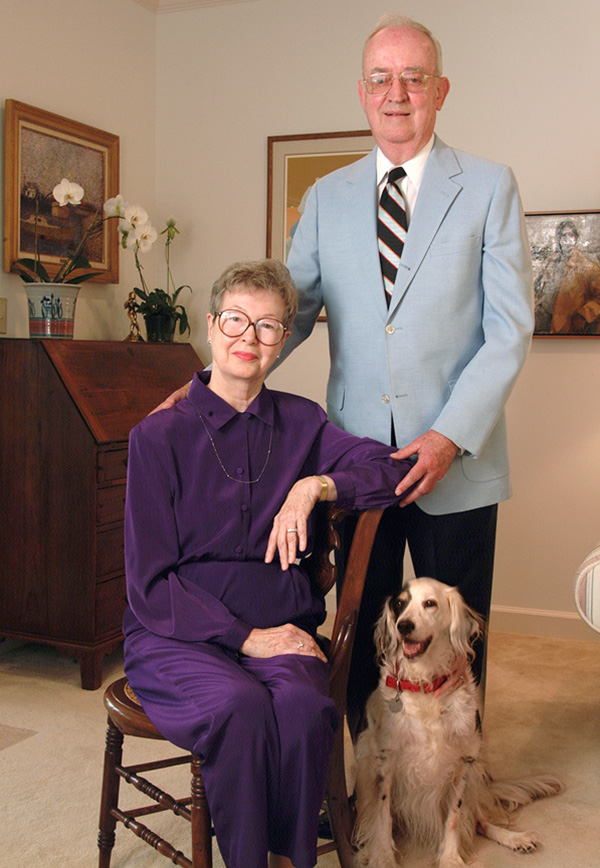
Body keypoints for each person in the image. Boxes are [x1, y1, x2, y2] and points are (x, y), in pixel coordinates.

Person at [156, 14, 534, 731]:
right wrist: (209, 381)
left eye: (414, 78)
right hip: (356, 460)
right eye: (381, 79)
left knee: (453, 638)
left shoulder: (488, 187)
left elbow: (509, 329)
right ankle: (352, 778)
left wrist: (449, 436)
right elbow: (287, 314)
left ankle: (456, 794)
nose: (397, 93)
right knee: (358, 631)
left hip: (455, 458)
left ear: (440, 90)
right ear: (362, 93)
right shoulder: (326, 198)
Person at [123, 259, 414, 868]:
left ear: (283, 342)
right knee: (240, 707)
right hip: (178, 633)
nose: (248, 338)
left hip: (283, 628)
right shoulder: (157, 438)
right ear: (210, 325)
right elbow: (149, 583)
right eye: (235, 320)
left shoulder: (302, 422)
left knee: (308, 710)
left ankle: (289, 859)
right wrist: (247, 638)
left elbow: (392, 468)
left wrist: (316, 486)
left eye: (268, 327)